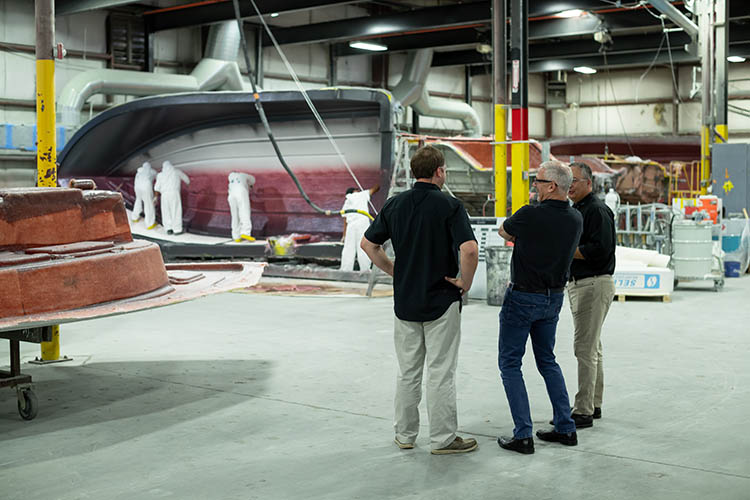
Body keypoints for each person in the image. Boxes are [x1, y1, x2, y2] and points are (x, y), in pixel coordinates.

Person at [361, 145, 479, 455]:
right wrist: (465, 283)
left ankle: (405, 435)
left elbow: (368, 245)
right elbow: (469, 249)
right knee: (440, 371)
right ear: (440, 171)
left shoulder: (394, 204)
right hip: (441, 300)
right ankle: (442, 439)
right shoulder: (450, 206)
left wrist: (395, 272)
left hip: (406, 302)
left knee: (408, 371)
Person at [496, 160, 583, 455]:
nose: (534, 184)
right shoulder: (575, 218)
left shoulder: (529, 215)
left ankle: (523, 435)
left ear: (553, 186)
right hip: (553, 298)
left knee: (510, 363)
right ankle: (565, 427)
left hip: (522, 296)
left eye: (538, 180)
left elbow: (504, 232)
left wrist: (524, 237)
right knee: (547, 360)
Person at [563, 162, 617, 428]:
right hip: (581, 283)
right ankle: (593, 403)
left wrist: (564, 248)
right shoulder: (578, 210)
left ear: (588, 182)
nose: (569, 185)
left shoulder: (596, 210)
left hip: (592, 284)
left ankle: (582, 409)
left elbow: (600, 249)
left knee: (584, 348)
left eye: (573, 180)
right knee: (592, 347)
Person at [340, 184, 380, 271]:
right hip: (362, 223)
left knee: (348, 248)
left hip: (351, 226)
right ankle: (365, 270)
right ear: (354, 191)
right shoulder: (362, 194)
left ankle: (345, 270)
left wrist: (344, 235)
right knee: (363, 247)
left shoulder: (347, 201)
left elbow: (345, 220)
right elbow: (375, 188)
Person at [154, 160, 190, 235]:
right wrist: (188, 185)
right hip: (174, 193)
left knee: (166, 211)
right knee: (176, 210)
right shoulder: (176, 171)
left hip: (164, 195)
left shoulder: (160, 175)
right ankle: (177, 230)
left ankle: (168, 229)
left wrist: (156, 197)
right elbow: (187, 179)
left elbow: (157, 188)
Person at [227, 172, 256, 242]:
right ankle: (246, 232)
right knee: (244, 212)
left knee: (235, 215)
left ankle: (236, 236)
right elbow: (253, 180)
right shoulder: (246, 176)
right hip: (241, 193)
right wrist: (251, 185)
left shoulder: (231, 176)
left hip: (231, 195)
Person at [132, 161, 158, 229]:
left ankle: (134, 217)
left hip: (137, 187)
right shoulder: (152, 171)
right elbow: (158, 178)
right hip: (146, 187)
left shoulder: (139, 171)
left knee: (138, 201)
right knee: (148, 204)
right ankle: (150, 224)